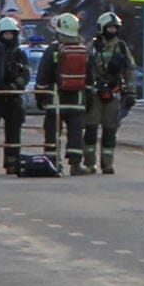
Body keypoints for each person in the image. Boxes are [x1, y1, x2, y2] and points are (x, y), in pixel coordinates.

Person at [34, 13, 89, 174]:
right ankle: (76, 165)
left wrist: (40, 96)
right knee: (76, 134)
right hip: (77, 101)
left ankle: (52, 163)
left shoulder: (53, 49)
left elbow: (43, 75)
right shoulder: (83, 50)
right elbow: (90, 77)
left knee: (52, 133)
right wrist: (88, 99)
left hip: (55, 100)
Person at [83, 11, 137, 175]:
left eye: (115, 27)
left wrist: (131, 93)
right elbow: (84, 70)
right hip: (94, 94)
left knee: (110, 130)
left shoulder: (121, 47)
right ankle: (89, 164)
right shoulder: (91, 48)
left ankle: (107, 164)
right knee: (91, 129)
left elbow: (129, 70)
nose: (112, 30)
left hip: (113, 94)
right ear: (102, 28)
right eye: (109, 27)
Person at [0, 16, 32, 174]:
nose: (9, 37)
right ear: (0, 34)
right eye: (6, 34)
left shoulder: (19, 54)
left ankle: (12, 163)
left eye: (12, 34)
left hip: (13, 97)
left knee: (14, 132)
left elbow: (26, 73)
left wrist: (14, 86)